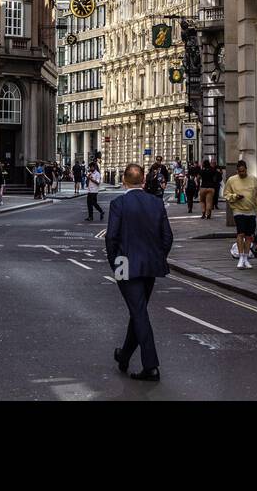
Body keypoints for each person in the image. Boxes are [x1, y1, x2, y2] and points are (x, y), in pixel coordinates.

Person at [105, 162, 174, 382]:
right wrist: (157, 256)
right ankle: (124, 356)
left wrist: (115, 263)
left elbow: (111, 237)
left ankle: (151, 366)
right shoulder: (156, 203)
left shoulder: (119, 204)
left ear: (123, 181)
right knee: (138, 310)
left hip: (126, 264)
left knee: (139, 312)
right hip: (151, 265)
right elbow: (167, 237)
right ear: (143, 181)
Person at [223, 159, 257, 270]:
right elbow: (226, 194)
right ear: (237, 171)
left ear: (246, 169)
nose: (242, 173)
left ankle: (246, 258)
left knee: (249, 236)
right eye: (239, 171)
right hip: (238, 210)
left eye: (243, 171)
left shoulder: (253, 180)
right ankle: (241, 257)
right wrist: (235, 196)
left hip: (251, 211)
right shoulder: (232, 180)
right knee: (240, 234)